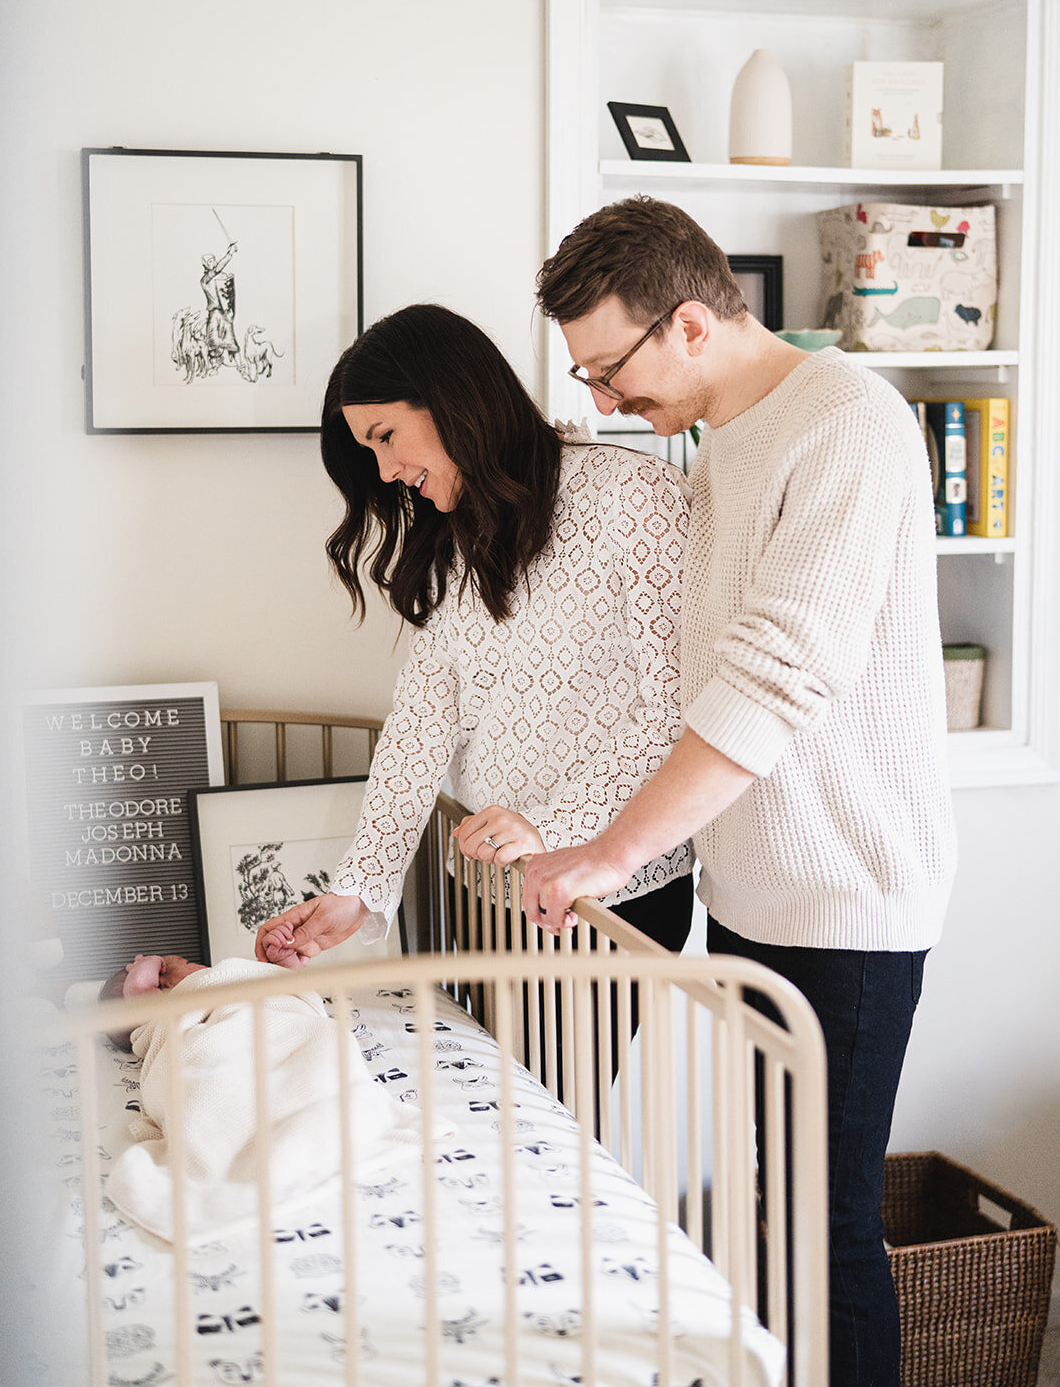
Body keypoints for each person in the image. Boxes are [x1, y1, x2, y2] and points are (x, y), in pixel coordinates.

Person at [516, 196, 956, 1387]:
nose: (603, 399)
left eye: (609, 368)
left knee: (825, 1233)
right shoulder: (719, 445)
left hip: (845, 905)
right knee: (778, 1214)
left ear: (691, 322)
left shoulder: (846, 425)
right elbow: (684, 679)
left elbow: (780, 670)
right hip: (757, 895)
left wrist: (609, 854)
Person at [254, 303, 695, 972]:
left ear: (449, 399)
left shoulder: (633, 496)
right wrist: (357, 889)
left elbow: (680, 706)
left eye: (385, 436)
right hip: (488, 892)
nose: (384, 471)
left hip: (604, 896)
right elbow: (421, 724)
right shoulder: (462, 537)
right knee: (495, 1079)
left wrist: (556, 825)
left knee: (556, 1082)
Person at [99, 951, 437, 1242]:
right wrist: (144, 963)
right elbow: (141, 988)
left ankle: (318, 1109)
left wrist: (285, 969)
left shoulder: (238, 982)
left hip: (279, 1025)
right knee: (212, 1077)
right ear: (158, 983)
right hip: (211, 1046)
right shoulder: (158, 1007)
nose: (198, 967)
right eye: (179, 964)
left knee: (321, 1043)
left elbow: (294, 996)